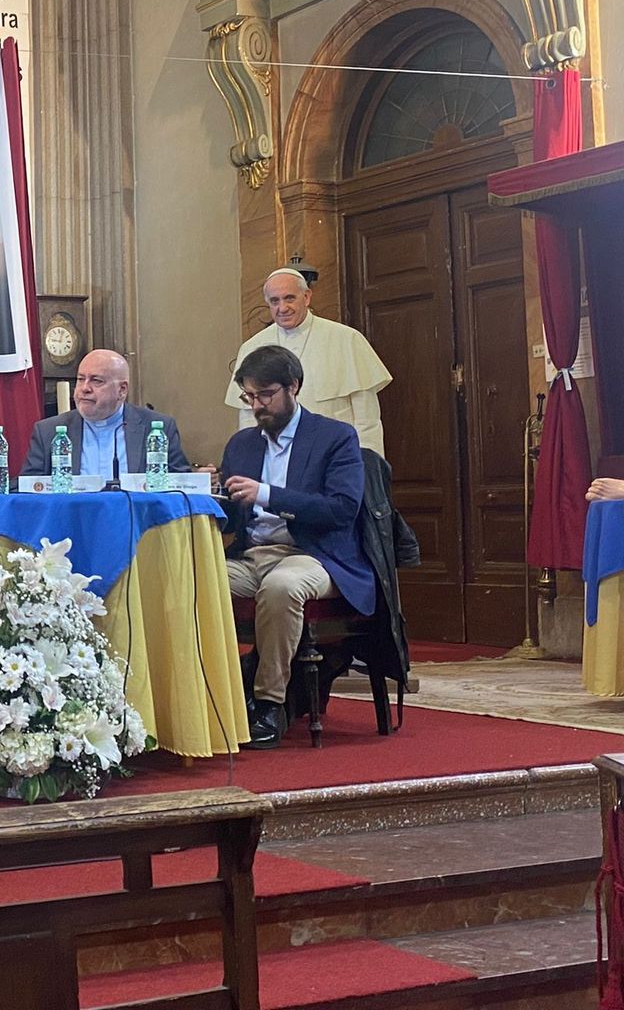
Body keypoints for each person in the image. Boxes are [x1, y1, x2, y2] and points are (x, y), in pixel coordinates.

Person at [220, 344, 375, 750]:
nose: (257, 406)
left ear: (294, 386)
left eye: (265, 395)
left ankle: (270, 703)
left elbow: (342, 511)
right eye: (249, 397)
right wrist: (211, 494)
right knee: (197, 579)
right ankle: (218, 692)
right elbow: (235, 519)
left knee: (282, 588)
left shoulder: (335, 437)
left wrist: (268, 494)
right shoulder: (242, 445)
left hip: (318, 556)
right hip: (253, 554)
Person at [224, 268, 391, 455]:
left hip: (334, 456)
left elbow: (367, 419)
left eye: (289, 298)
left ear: (307, 297)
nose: (282, 308)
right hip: (277, 457)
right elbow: (248, 418)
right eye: (274, 301)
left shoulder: (346, 339)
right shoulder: (252, 347)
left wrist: (367, 467)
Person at [21, 349, 190, 482]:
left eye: (96, 381)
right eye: (81, 379)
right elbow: (27, 490)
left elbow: (182, 487)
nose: (84, 388)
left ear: (122, 390)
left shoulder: (157, 427)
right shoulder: (48, 431)